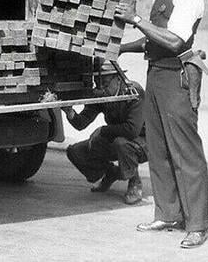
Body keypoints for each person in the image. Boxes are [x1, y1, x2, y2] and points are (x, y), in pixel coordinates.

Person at [115, 0, 208, 249]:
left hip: (177, 78)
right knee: (158, 149)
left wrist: (137, 18)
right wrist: (122, 48)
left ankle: (197, 224)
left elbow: (174, 40)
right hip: (156, 74)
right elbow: (153, 38)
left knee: (186, 152)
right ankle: (168, 213)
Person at [63, 60, 147, 205]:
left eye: (106, 84)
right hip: (117, 139)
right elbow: (81, 123)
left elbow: (132, 130)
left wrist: (103, 130)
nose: (102, 88)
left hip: (144, 142)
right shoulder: (103, 95)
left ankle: (134, 181)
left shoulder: (134, 91)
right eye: (98, 84)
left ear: (118, 79)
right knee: (76, 151)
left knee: (121, 143)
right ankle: (111, 173)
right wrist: (70, 112)